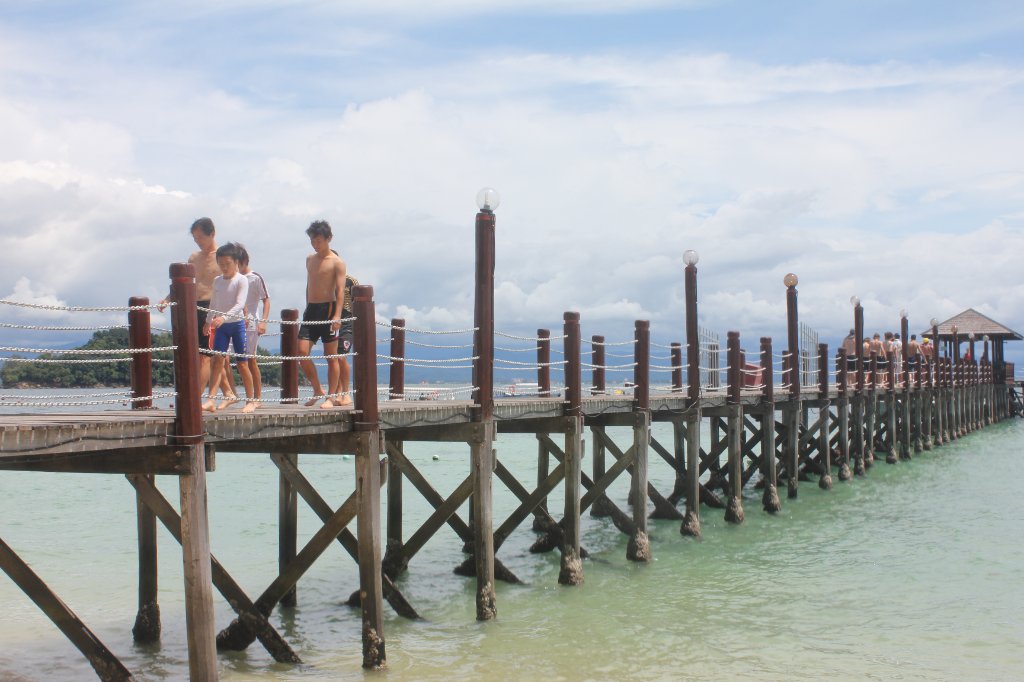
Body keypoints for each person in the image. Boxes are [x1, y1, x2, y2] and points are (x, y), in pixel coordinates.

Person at [159, 217, 238, 406]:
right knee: (206, 355)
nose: (198, 241)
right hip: (193, 307)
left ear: (212, 234)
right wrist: (167, 299)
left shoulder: (223, 258)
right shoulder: (194, 258)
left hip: (214, 308)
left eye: (201, 237)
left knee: (205, 356)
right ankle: (228, 393)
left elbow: (235, 284)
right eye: (195, 238)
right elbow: (184, 283)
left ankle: (194, 400)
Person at [297, 220, 348, 408]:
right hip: (311, 310)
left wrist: (337, 315)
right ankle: (318, 389)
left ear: (329, 239)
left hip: (329, 309)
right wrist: (307, 306)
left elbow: (340, 291)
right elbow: (309, 284)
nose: (315, 244)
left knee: (331, 355)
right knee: (301, 352)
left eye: (318, 241)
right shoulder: (309, 259)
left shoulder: (337, 263)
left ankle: (331, 397)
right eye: (312, 241)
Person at [201, 243, 254, 412]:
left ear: (236, 262)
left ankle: (250, 401)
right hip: (221, 327)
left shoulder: (241, 280)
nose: (224, 267)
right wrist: (208, 321)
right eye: (221, 264)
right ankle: (211, 399)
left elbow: (240, 304)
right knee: (217, 361)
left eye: (227, 264)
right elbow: (214, 303)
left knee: (242, 364)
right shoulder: (217, 281)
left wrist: (223, 317)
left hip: (236, 325)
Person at [238, 244, 270, 414]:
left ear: (243, 261)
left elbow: (266, 299)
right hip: (235, 322)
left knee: (251, 360)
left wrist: (263, 321)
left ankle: (257, 398)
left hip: (251, 323)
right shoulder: (233, 278)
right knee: (236, 360)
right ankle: (242, 396)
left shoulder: (255, 278)